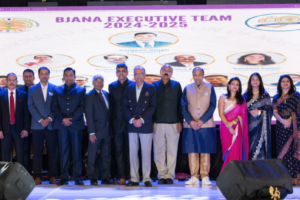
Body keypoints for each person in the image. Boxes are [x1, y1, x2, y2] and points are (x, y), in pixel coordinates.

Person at [181, 67, 217, 186]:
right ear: (192, 75)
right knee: (192, 150)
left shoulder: (210, 87)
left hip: (206, 124)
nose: (197, 77)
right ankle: (194, 176)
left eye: (199, 74)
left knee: (205, 150)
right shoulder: (187, 88)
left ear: (203, 75)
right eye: (195, 75)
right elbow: (183, 106)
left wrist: (201, 121)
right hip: (190, 125)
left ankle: (205, 176)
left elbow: (212, 106)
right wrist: (191, 121)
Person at [123, 66, 156, 187]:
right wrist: (132, 119)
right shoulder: (128, 88)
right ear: (133, 75)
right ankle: (134, 178)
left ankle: (147, 178)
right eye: (136, 74)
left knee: (146, 153)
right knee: (132, 153)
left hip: (145, 124)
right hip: (132, 124)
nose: (138, 76)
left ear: (144, 74)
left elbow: (152, 106)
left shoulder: (151, 88)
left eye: (140, 73)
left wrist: (141, 119)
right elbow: (125, 106)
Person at [52, 67, 86, 186]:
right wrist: (63, 119)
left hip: (75, 125)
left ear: (74, 77)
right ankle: (63, 177)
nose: (68, 77)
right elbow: (54, 107)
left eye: (70, 75)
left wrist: (71, 119)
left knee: (77, 152)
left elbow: (82, 107)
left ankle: (77, 177)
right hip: (62, 125)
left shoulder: (81, 90)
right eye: (66, 75)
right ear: (63, 77)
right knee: (63, 152)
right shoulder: (57, 89)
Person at [152, 64, 182, 185]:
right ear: (160, 72)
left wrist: (180, 120)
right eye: (164, 70)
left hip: (173, 122)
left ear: (172, 73)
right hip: (157, 123)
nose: (166, 72)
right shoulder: (153, 86)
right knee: (159, 150)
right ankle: (161, 175)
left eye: (169, 71)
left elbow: (181, 104)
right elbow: (151, 105)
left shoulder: (176, 85)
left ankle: (170, 175)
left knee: (172, 150)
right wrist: (152, 121)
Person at [85, 75, 117, 186]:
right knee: (93, 155)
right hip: (96, 132)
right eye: (97, 82)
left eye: (101, 81)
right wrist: (91, 132)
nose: (99, 83)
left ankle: (106, 177)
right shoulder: (89, 95)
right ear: (93, 83)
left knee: (106, 156)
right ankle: (93, 177)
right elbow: (89, 115)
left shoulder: (107, 94)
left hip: (107, 131)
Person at [28, 67, 58, 185]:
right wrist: (41, 120)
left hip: (51, 125)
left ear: (49, 75)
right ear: (39, 75)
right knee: (37, 152)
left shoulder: (55, 88)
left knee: (52, 152)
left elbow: (56, 106)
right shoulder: (32, 89)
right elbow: (30, 106)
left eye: (46, 73)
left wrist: (49, 119)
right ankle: (38, 176)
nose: (44, 75)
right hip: (37, 125)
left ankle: (52, 176)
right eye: (42, 73)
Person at [109, 64, 134, 185]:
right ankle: (122, 176)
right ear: (116, 73)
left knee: (130, 151)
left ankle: (131, 175)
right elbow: (111, 106)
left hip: (130, 124)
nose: (121, 73)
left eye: (123, 71)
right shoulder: (112, 86)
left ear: (127, 72)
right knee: (119, 151)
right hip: (117, 123)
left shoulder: (133, 85)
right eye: (118, 71)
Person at [272, 74, 300, 185]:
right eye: (283, 81)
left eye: (287, 81)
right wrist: (283, 121)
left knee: (292, 151)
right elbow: (274, 111)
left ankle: (294, 178)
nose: (285, 83)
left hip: (294, 128)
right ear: (280, 83)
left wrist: (289, 119)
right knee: (283, 151)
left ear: (291, 83)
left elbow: (299, 111)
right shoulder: (275, 97)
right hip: (280, 128)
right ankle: (283, 178)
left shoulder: (296, 95)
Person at [218, 77, 248, 172]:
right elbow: (221, 114)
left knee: (236, 151)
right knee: (227, 150)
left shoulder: (242, 100)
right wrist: (228, 125)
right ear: (229, 85)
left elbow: (242, 115)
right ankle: (227, 176)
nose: (235, 86)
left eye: (237, 84)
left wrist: (233, 123)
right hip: (225, 128)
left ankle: (236, 176)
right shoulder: (223, 97)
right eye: (233, 84)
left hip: (237, 129)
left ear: (239, 87)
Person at [0, 73, 30, 165]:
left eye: (13, 80)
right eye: (9, 80)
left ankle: (20, 178)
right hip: (5, 130)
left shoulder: (24, 95)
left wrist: (26, 128)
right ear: (6, 82)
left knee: (20, 156)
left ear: (17, 82)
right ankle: (6, 178)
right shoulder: (0, 95)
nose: (11, 82)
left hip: (19, 130)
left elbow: (27, 113)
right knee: (5, 156)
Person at [243, 73, 273, 160]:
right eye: (253, 79)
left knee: (260, 150)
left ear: (260, 81)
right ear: (250, 82)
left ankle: (260, 172)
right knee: (249, 150)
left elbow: (270, 111)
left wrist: (259, 112)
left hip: (261, 129)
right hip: (248, 128)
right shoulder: (245, 96)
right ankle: (250, 172)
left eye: (257, 79)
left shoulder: (265, 95)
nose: (255, 81)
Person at [18, 69, 35, 174]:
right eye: (26, 76)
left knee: (38, 151)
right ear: (23, 77)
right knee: (24, 151)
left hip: (38, 125)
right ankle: (25, 174)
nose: (28, 78)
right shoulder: (18, 90)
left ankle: (38, 173)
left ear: (34, 77)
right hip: (23, 127)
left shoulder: (38, 89)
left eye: (30, 76)